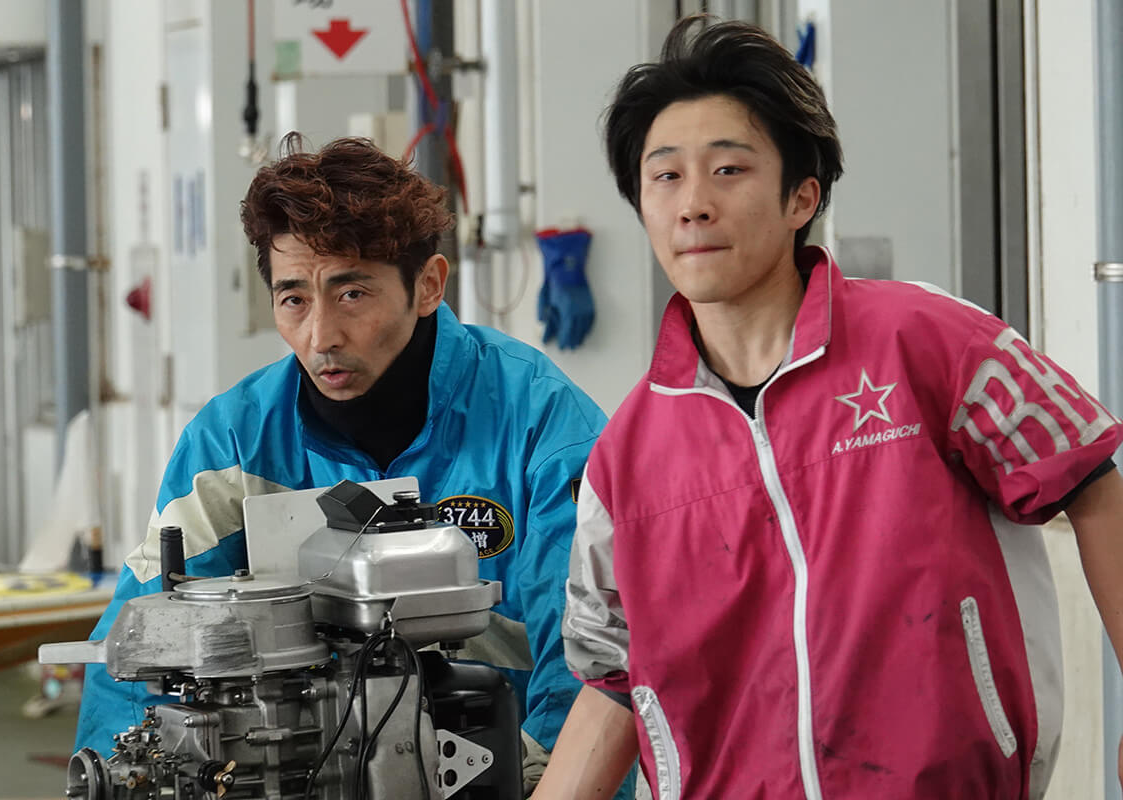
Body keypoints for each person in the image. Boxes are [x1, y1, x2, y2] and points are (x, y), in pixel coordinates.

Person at [535, 17, 1123, 800]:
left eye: (729, 170)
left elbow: (1092, 483)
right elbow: (613, 677)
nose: (693, 204)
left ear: (800, 198)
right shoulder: (626, 458)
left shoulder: (926, 341)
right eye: (665, 176)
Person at [75, 135, 629, 797]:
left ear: (428, 285)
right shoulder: (234, 442)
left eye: (352, 294)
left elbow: (596, 662)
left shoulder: (541, 425)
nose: (321, 337)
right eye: (294, 300)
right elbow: (141, 644)